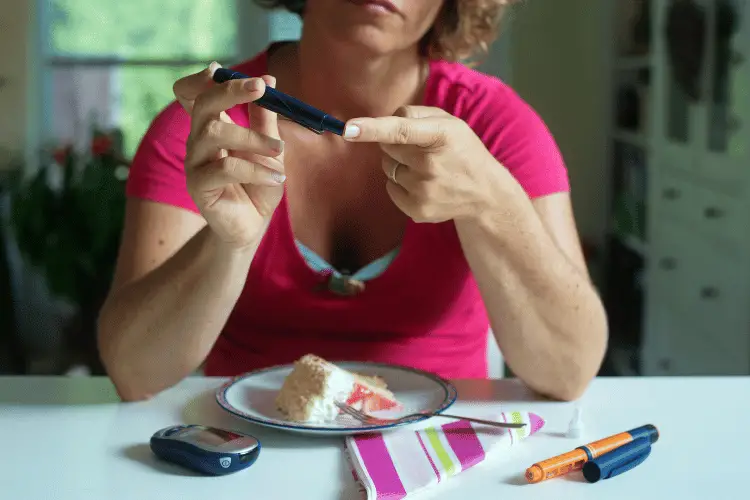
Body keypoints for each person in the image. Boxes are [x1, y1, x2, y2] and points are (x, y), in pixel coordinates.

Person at [97, 0, 608, 402]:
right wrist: (227, 244)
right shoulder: (210, 124)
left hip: (442, 458)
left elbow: (568, 372)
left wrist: (492, 202)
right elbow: (135, 373)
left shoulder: (498, 126)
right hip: (245, 456)